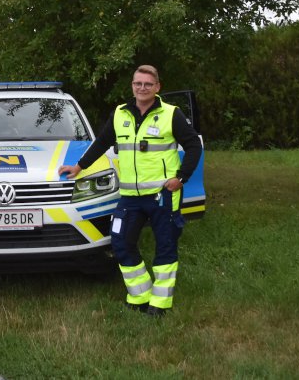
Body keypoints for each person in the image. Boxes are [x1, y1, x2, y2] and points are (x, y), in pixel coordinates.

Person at [59, 65, 201, 316]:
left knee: (165, 247)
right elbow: (102, 142)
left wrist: (181, 178)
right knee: (121, 242)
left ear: (157, 87)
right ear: (132, 86)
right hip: (130, 197)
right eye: (138, 83)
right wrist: (79, 167)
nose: (142, 88)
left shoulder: (171, 114)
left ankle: (160, 303)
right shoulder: (120, 114)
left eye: (148, 84)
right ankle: (140, 295)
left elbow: (193, 146)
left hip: (163, 195)